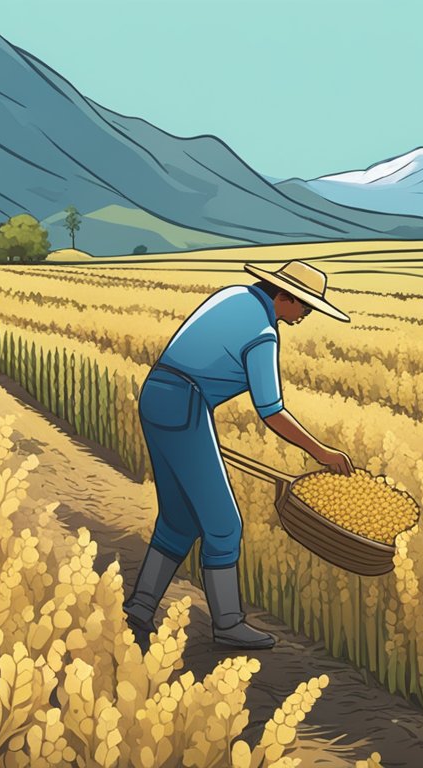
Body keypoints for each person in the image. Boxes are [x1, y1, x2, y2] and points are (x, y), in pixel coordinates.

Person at [123, 260, 354, 650]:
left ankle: (141, 606)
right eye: (306, 306)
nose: (305, 315)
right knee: (223, 524)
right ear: (286, 297)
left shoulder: (233, 294)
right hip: (186, 406)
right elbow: (272, 410)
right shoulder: (264, 333)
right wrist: (321, 453)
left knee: (180, 520)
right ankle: (228, 624)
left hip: (157, 395)